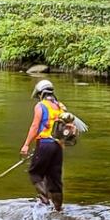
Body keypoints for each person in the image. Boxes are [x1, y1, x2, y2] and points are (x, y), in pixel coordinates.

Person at [20, 79, 70, 212]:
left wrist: (26, 145)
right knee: (54, 178)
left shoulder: (40, 106)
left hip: (45, 144)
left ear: (40, 93)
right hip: (58, 146)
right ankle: (58, 209)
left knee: (34, 172)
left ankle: (44, 200)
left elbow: (35, 126)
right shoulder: (61, 106)